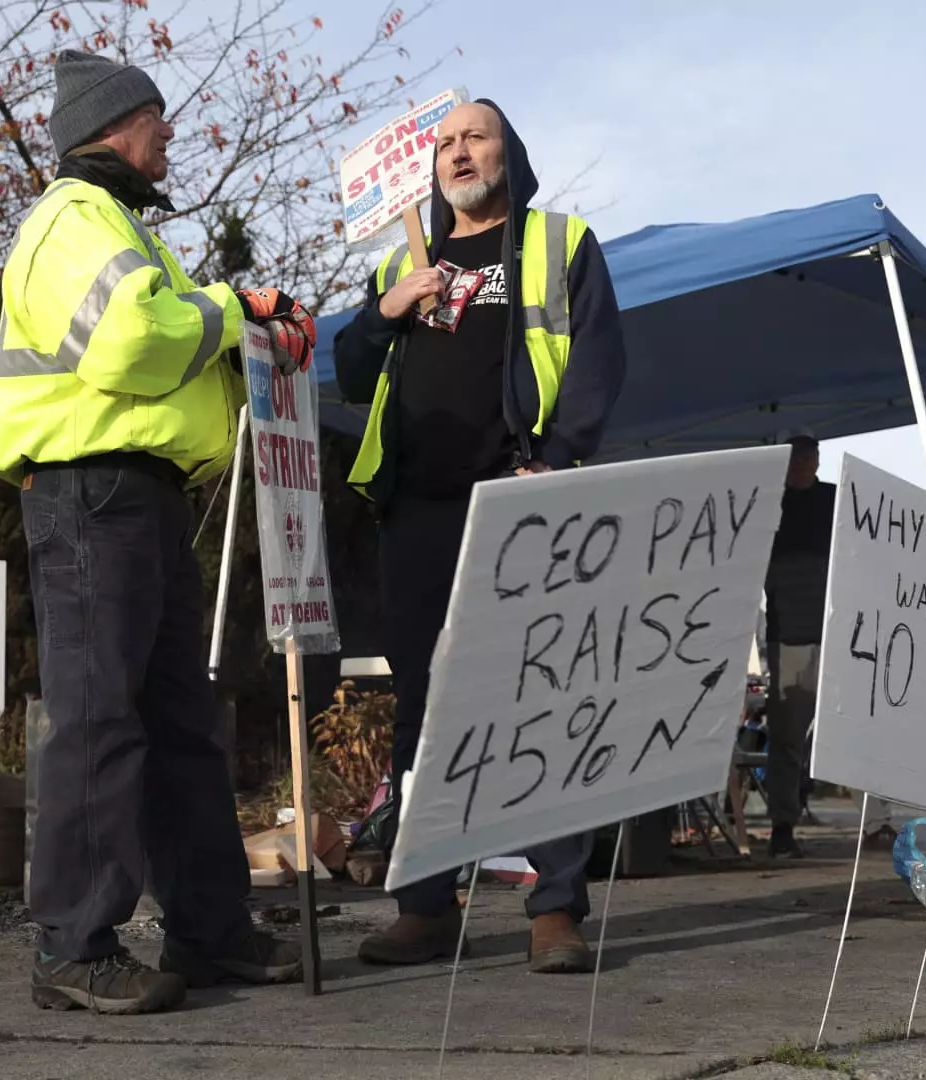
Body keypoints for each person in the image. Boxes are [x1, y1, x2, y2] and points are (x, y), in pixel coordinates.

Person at [0, 48, 316, 1015]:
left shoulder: (113, 224)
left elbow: (161, 340)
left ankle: (209, 932)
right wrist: (232, 307)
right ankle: (72, 948)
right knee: (101, 720)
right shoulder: (74, 219)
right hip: (96, 493)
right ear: (118, 124)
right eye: (157, 118)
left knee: (176, 725)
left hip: (136, 497)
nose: (170, 133)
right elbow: (133, 343)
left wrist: (244, 332)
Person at [332, 99, 628, 973]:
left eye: (476, 137)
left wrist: (560, 461)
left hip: (518, 501)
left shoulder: (557, 243)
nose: (459, 152)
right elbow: (350, 374)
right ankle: (425, 904)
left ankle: (555, 907)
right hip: (417, 513)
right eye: (445, 143)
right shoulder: (403, 257)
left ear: (510, 153)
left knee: (538, 695)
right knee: (425, 711)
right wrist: (388, 308)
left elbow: (600, 361)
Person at [760, 434, 838, 859]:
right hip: (789, 634)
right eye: (798, 458)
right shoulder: (771, 503)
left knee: (848, 733)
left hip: (837, 632)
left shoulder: (835, 501)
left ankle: (876, 824)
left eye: (809, 457)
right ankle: (782, 827)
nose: (804, 464)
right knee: (787, 738)